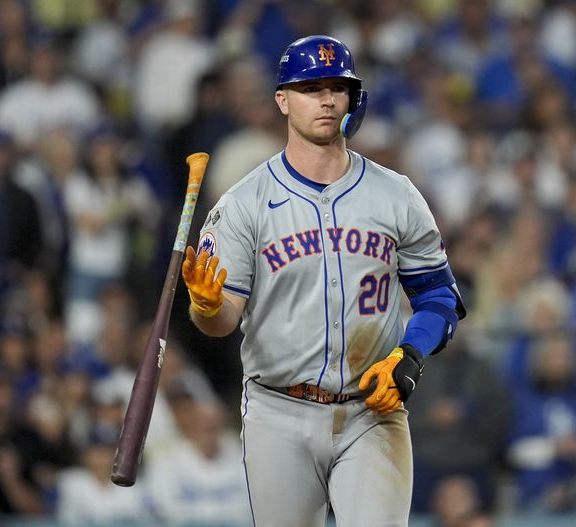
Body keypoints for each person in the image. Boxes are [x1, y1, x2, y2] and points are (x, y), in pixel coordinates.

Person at [181, 34, 466, 526]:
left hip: (371, 409)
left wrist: (409, 354)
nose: (328, 99)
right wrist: (206, 308)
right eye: (312, 87)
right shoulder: (244, 203)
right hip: (278, 410)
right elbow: (222, 322)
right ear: (283, 100)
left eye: (338, 87)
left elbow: (439, 297)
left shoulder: (396, 194)